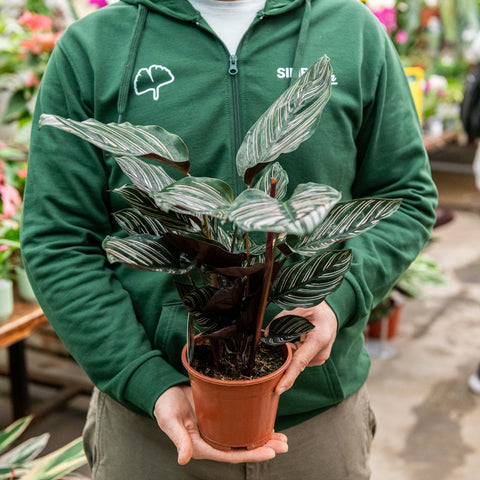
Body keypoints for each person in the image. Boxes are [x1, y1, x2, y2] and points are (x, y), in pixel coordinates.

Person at [21, 0, 438, 478]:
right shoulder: (94, 47)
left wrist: (337, 296)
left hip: (317, 426)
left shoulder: (352, 31)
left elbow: (404, 195)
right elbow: (58, 238)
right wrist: (144, 379)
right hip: (152, 429)